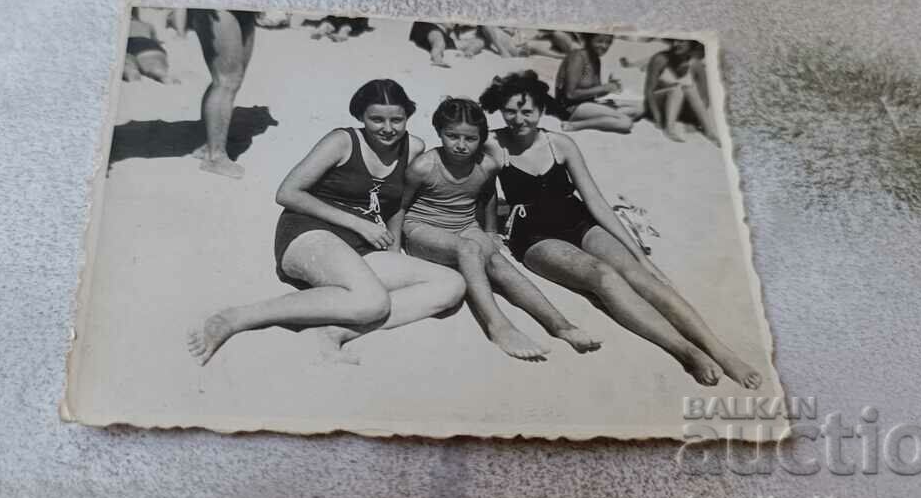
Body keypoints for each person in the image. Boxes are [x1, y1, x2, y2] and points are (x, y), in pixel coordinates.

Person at [478, 71, 763, 389]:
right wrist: (490, 231)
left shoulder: (561, 144)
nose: (518, 119)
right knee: (602, 276)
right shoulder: (492, 144)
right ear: (500, 109)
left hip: (578, 220)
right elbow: (478, 188)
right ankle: (686, 352)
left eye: (527, 111)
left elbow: (596, 202)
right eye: (511, 111)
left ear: (541, 109)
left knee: (638, 274)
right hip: (534, 236)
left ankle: (720, 350)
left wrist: (639, 254)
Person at [188, 79, 467, 366]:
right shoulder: (342, 141)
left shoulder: (412, 147)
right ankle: (236, 317)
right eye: (376, 119)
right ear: (360, 116)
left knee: (451, 284)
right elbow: (287, 193)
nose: (387, 128)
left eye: (397, 119)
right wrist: (359, 224)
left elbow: (396, 203)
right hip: (310, 234)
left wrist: (393, 248)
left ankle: (335, 331)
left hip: (362, 246)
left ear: (408, 116)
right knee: (372, 302)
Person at [400, 98, 602, 360]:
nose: (461, 145)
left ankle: (561, 325)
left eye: (470, 138)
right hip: (423, 227)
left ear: (481, 139)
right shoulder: (424, 166)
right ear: (439, 133)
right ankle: (499, 326)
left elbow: (487, 196)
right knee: (469, 249)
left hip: (465, 224)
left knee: (499, 262)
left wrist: (492, 231)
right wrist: (395, 246)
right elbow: (400, 207)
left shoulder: (486, 165)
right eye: (452, 136)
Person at [174, 9, 258, 179]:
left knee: (231, 80)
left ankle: (208, 145)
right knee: (226, 80)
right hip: (219, 7)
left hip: (246, 8)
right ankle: (215, 157)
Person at [553, 33, 644, 133]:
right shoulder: (578, 57)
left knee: (638, 111)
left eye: (608, 42)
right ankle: (575, 125)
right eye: (599, 41)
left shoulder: (595, 59)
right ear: (589, 40)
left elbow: (596, 93)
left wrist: (611, 87)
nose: (604, 46)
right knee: (626, 123)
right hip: (570, 108)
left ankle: (604, 119)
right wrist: (604, 88)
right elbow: (570, 94)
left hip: (588, 104)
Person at [644, 39, 720, 145]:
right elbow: (649, 91)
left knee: (689, 88)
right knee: (678, 88)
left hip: (681, 109)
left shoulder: (695, 64)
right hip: (659, 104)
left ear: (691, 44)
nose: (675, 44)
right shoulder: (660, 59)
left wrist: (693, 119)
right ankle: (669, 129)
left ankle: (709, 132)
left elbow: (704, 97)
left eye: (681, 41)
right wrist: (657, 117)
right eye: (674, 41)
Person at [122, 9, 175, 84]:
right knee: (156, 69)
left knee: (125, 61)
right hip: (155, 48)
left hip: (133, 45)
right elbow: (156, 40)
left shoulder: (121, 25)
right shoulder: (148, 25)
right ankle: (162, 75)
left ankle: (131, 71)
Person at [408, 21, 485, 68]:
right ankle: (437, 59)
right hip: (429, 27)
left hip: (444, 36)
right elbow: (449, 24)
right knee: (439, 41)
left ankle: (469, 52)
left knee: (480, 42)